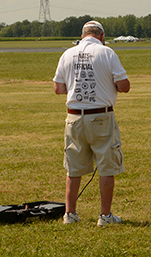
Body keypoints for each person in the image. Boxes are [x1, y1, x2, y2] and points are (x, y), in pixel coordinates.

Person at [53, 21, 130, 226]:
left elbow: (59, 89)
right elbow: (124, 86)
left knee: (73, 167)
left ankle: (70, 214)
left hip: (74, 117)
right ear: (101, 36)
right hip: (101, 117)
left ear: (83, 35)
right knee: (107, 166)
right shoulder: (107, 53)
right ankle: (105, 216)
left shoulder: (67, 54)